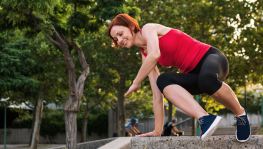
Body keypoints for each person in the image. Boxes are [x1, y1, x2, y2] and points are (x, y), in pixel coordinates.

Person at [107, 14, 250, 142]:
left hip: (211, 58)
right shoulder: (146, 57)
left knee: (207, 80)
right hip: (194, 76)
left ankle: (241, 115)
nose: (119, 40)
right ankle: (205, 118)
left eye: (120, 34)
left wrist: (136, 82)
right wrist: (158, 131)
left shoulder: (149, 28)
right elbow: (157, 96)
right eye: (115, 39)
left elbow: (155, 54)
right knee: (163, 81)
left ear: (131, 26)